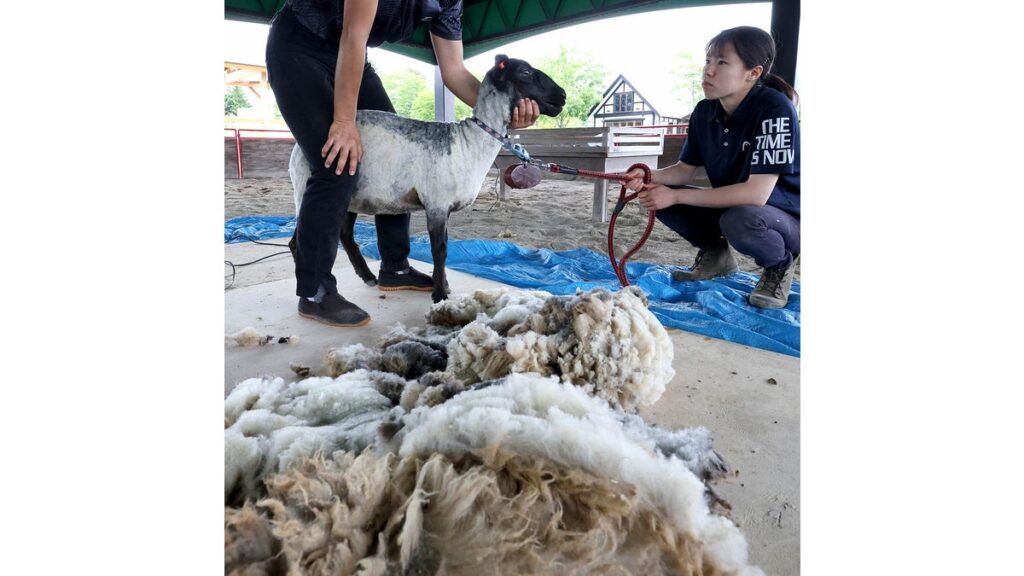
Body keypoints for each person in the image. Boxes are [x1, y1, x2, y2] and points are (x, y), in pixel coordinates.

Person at [266, 0, 540, 327]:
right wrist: (343, 123)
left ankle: (394, 268)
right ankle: (315, 291)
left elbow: (453, 71)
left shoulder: (450, 3)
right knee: (335, 158)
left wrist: (500, 110)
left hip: (352, 50)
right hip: (300, 46)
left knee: (401, 151)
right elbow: (354, 34)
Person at [624, 26, 800, 309]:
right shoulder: (705, 111)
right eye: (708, 61)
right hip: (735, 207)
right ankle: (716, 255)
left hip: (781, 218)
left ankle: (779, 266)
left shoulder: (774, 109)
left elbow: (756, 195)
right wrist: (647, 175)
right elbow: (684, 170)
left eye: (722, 62)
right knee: (658, 194)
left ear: (753, 73)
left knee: (740, 219)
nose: (708, 70)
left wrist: (677, 195)